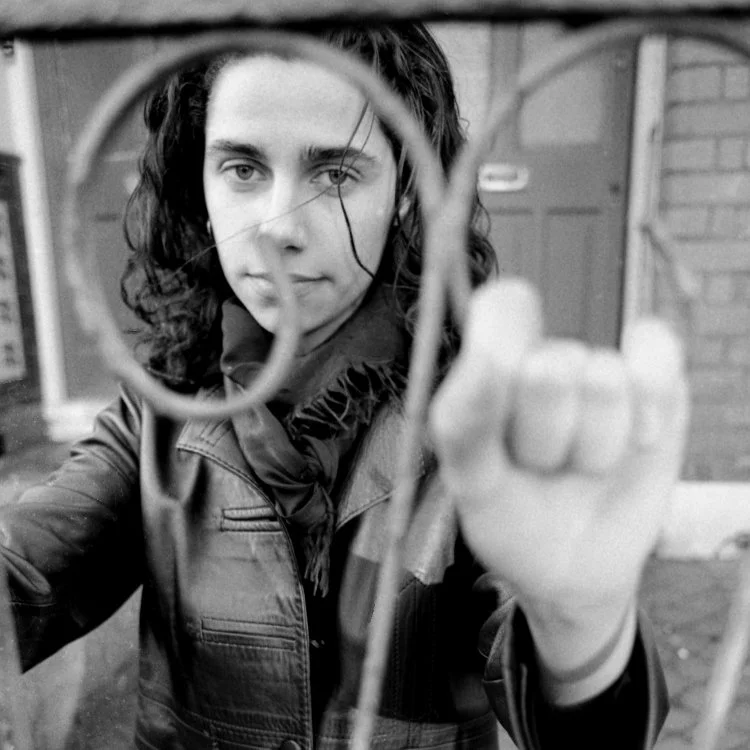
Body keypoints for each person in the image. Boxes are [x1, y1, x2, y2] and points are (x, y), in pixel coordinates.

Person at [0, 23, 686, 750]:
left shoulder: (470, 424)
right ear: (198, 184)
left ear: (404, 192)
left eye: (334, 174)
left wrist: (580, 628)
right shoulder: (155, 415)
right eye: (242, 168)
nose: (277, 228)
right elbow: (30, 567)